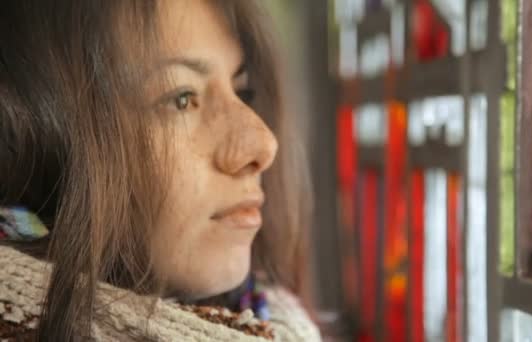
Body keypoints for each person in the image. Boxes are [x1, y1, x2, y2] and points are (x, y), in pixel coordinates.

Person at [0, 0, 319, 340]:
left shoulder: (277, 322)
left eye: (242, 92)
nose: (263, 145)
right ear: (40, 141)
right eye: (181, 98)